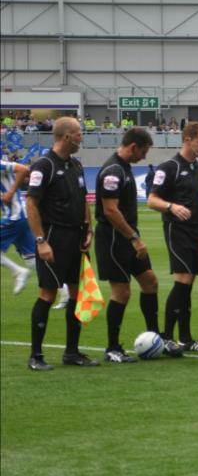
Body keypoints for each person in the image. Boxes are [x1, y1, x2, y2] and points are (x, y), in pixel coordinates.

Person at [26, 117, 97, 370]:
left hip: (75, 237)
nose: (81, 138)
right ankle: (36, 356)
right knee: (47, 293)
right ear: (67, 137)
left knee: (77, 294)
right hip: (53, 237)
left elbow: (84, 200)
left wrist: (88, 229)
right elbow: (31, 204)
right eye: (79, 134)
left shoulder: (76, 165)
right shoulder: (43, 166)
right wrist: (41, 241)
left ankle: (72, 352)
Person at [95, 127, 166, 362]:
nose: (144, 157)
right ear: (134, 146)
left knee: (150, 282)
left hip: (128, 237)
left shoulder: (123, 168)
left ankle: (156, 338)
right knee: (122, 292)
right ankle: (112, 348)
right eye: (144, 151)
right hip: (114, 239)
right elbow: (110, 211)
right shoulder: (113, 171)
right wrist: (134, 238)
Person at [147, 121, 198, 353]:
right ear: (186, 139)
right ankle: (166, 336)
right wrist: (171, 207)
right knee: (183, 280)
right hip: (178, 230)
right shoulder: (169, 167)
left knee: (189, 283)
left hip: (197, 231)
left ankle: (185, 338)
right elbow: (152, 199)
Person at [1, 159, 35, 294]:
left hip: (15, 216)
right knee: (33, 260)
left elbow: (22, 169)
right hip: (22, 217)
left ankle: (18, 271)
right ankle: (65, 291)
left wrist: (10, 192)